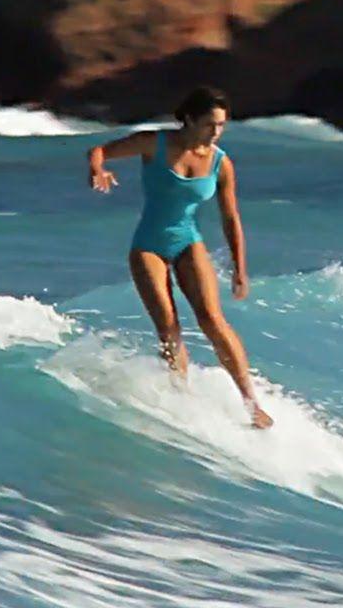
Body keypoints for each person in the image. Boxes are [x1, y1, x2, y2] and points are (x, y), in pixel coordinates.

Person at [86, 86, 273, 428]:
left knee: (213, 321)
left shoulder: (220, 162)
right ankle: (182, 399)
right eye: (208, 124)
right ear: (188, 119)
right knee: (169, 327)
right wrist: (97, 170)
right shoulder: (153, 143)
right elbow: (99, 150)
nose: (215, 132)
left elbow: (231, 218)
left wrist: (240, 268)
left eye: (221, 125)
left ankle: (251, 404)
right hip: (149, 246)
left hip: (188, 241)